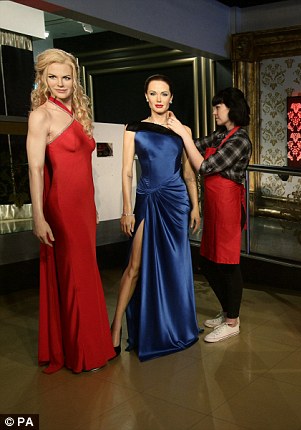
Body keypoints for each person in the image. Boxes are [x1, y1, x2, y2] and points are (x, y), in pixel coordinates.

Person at [26, 48, 115, 373]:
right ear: (43, 79)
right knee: (76, 277)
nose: (60, 83)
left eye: (66, 77)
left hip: (83, 208)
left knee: (86, 274)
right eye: (53, 77)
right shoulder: (41, 116)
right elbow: (36, 169)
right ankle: (83, 354)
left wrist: (93, 207)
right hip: (62, 207)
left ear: (74, 79)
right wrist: (38, 216)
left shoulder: (76, 112)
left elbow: (84, 167)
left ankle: (92, 345)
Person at [109, 74, 201, 361]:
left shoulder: (182, 129)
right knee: (134, 266)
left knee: (175, 265)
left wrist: (196, 206)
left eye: (164, 93)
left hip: (176, 202)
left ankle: (173, 327)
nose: (159, 99)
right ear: (146, 97)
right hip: (148, 200)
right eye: (153, 93)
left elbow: (188, 173)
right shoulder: (133, 128)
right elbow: (126, 172)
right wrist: (127, 210)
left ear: (171, 98)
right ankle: (116, 326)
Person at [167, 87, 252, 343]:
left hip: (229, 208)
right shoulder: (221, 135)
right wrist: (178, 132)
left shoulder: (240, 140)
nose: (214, 112)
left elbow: (205, 166)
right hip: (214, 207)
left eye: (218, 107)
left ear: (231, 108)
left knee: (228, 264)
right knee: (207, 261)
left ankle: (232, 322)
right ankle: (227, 312)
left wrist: (183, 133)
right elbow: (194, 145)